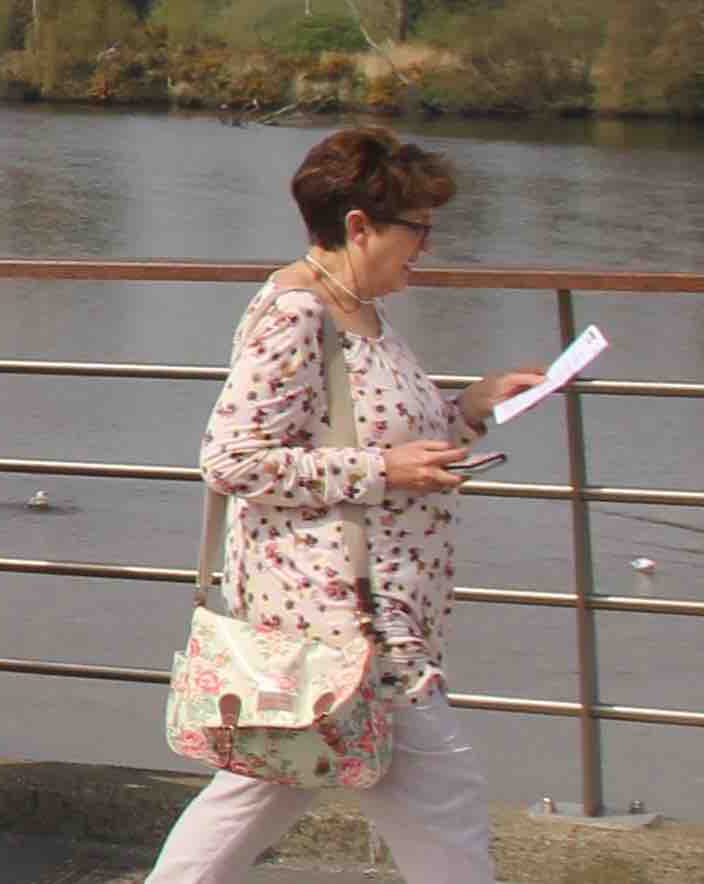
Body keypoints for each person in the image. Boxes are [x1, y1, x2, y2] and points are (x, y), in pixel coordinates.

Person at [144, 128, 545, 884]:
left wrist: (473, 408)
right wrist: (379, 468)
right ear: (358, 226)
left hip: (359, 617)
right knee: (445, 803)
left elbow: (387, 446)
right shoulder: (298, 315)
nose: (426, 244)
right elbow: (231, 459)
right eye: (416, 227)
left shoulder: (361, 309)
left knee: (260, 791)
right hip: (349, 624)